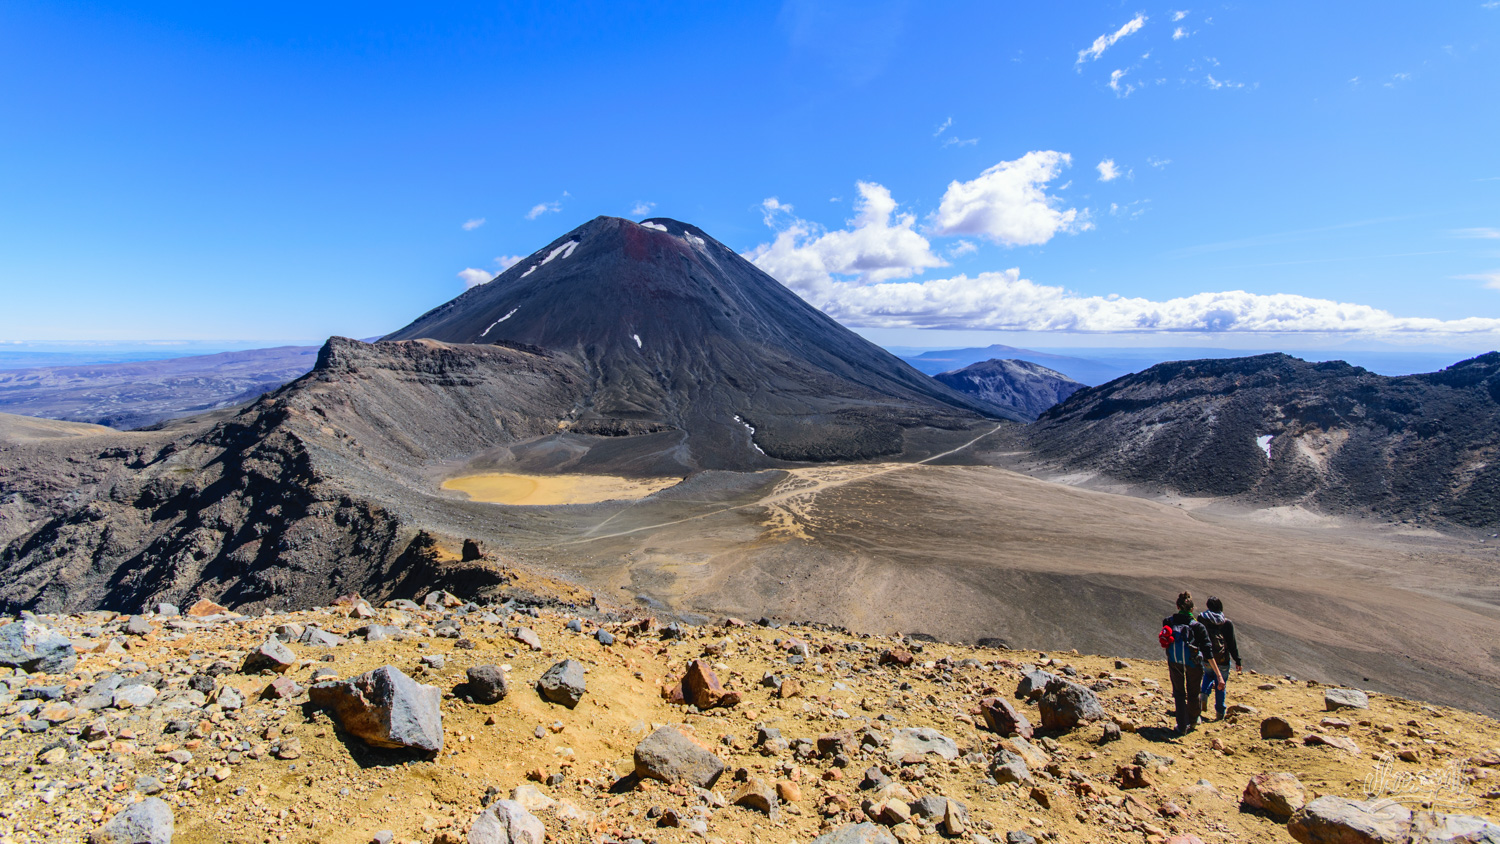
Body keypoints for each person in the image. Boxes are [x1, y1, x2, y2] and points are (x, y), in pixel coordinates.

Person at [1159, 591, 1223, 734]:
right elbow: (1207, 651)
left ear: (1177, 606)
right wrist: (1218, 675)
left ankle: (1181, 726)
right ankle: (1193, 721)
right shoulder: (1197, 626)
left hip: (1175, 662)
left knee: (1179, 693)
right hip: (1193, 664)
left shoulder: (1168, 621)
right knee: (1193, 693)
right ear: (1192, 609)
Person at [1197, 596, 1244, 720]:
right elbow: (1232, 644)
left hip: (1207, 658)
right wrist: (1237, 660)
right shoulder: (1226, 623)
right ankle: (1219, 712)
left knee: (1208, 675)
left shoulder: (1202, 620)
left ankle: (1203, 694)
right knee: (1221, 684)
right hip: (1223, 659)